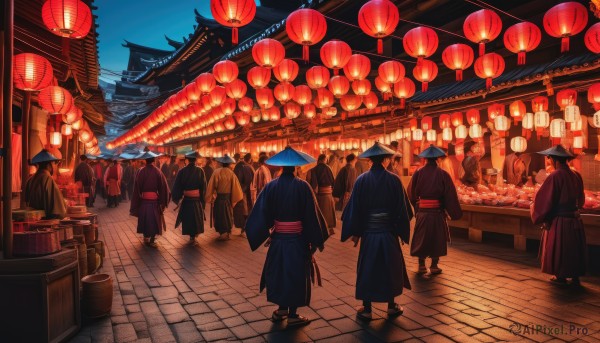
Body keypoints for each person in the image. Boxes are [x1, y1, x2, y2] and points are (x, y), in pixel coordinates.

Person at [246, 146, 329, 327]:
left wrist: (263, 231)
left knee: (280, 273)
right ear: (297, 167)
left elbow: (261, 213)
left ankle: (281, 309)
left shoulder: (270, 187)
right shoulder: (303, 187)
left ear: (281, 167)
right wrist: (314, 240)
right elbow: (311, 216)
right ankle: (292, 314)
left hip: (278, 240)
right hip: (298, 241)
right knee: (295, 275)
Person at [341, 142, 413, 320]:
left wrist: (356, 232)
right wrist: (401, 230)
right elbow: (403, 209)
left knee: (368, 268)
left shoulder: (361, 180)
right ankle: (391, 305)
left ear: (369, 160)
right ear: (386, 160)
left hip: (369, 233)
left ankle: (366, 308)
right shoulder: (394, 180)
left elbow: (354, 209)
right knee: (390, 267)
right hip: (388, 232)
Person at [531, 145, 586, 286]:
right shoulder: (576, 175)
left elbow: (545, 199)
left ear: (554, 160)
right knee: (574, 248)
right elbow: (581, 199)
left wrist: (541, 215)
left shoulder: (555, 176)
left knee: (561, 248)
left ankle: (560, 275)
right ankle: (575, 276)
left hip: (560, 220)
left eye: (549, 159)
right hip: (574, 218)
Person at [408, 145, 463, 275]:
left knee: (421, 237)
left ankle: (421, 265)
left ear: (425, 159)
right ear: (438, 159)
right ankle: (434, 265)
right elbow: (450, 195)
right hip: (437, 212)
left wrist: (417, 207)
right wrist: (453, 212)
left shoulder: (418, 173)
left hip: (422, 212)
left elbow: (410, 192)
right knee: (437, 238)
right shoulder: (443, 174)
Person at [130, 152, 170, 248]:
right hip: (154, 202)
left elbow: (136, 189)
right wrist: (162, 202)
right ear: (154, 160)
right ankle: (152, 239)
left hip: (144, 201)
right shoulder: (158, 171)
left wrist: (138, 201)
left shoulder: (140, 171)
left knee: (144, 220)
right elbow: (164, 188)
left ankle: (146, 237)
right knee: (154, 220)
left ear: (145, 160)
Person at [205, 155, 244, 241]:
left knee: (219, 215)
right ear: (229, 164)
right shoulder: (232, 173)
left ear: (222, 163)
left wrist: (210, 196)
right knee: (228, 215)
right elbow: (236, 188)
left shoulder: (216, 172)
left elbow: (211, 186)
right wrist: (233, 200)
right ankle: (227, 232)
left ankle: (222, 233)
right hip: (228, 199)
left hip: (219, 198)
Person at [171, 152, 207, 245]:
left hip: (187, 200)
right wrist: (203, 200)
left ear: (187, 160)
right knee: (196, 218)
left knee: (188, 218)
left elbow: (177, 186)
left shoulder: (182, 171)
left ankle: (191, 237)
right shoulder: (200, 171)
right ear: (195, 160)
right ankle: (193, 237)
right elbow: (203, 187)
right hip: (196, 200)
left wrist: (178, 198)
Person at [24, 149, 67, 219]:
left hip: (33, 220)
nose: (55, 166)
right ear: (49, 165)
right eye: (54, 163)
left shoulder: (30, 180)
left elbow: (26, 203)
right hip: (47, 222)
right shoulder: (48, 179)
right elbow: (59, 211)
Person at [308, 154, 337, 235]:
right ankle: (330, 229)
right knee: (329, 213)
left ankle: (322, 229)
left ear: (319, 160)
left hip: (321, 194)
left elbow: (314, 184)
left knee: (321, 213)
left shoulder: (314, 169)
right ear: (324, 159)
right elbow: (333, 182)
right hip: (329, 194)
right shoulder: (329, 168)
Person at [233, 153, 255, 236]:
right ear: (249, 159)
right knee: (246, 209)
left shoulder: (237, 167)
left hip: (240, 191)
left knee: (241, 210)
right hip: (248, 192)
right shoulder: (250, 167)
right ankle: (245, 227)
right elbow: (253, 180)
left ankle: (243, 227)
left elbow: (236, 180)